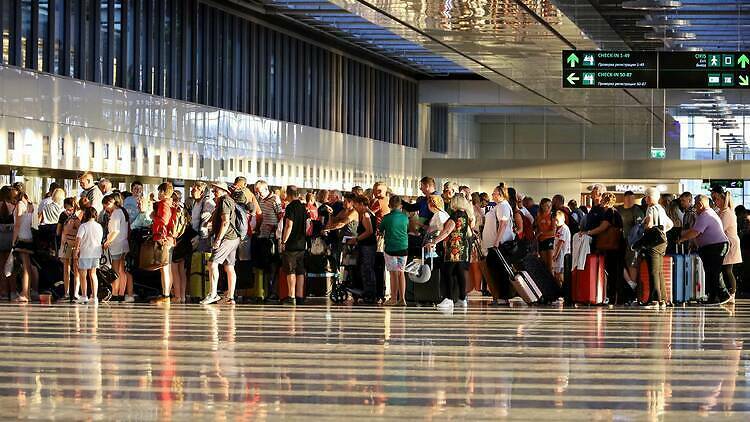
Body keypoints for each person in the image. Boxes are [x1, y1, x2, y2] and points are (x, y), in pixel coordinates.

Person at [679, 194, 731, 305]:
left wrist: (681, 239)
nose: (695, 208)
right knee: (711, 271)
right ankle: (713, 296)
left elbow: (695, 232)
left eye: (696, 205)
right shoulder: (709, 213)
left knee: (714, 271)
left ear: (700, 204)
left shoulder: (705, 215)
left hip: (716, 247)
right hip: (713, 246)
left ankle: (723, 295)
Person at [429, 195, 474, 310]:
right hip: (462, 248)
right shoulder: (466, 215)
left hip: (453, 249)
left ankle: (448, 298)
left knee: (447, 272)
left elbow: (447, 231)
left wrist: (434, 241)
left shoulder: (456, 215)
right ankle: (462, 298)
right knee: (459, 273)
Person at [201, 183, 241, 305]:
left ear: (223, 190)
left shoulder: (224, 201)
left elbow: (225, 222)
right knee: (229, 266)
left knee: (212, 263)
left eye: (216, 189)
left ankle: (213, 294)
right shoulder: (228, 201)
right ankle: (230, 296)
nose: (214, 191)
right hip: (234, 237)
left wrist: (218, 239)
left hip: (227, 238)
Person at [585, 192, 624, 304]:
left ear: (606, 201)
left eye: (602, 199)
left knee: (612, 272)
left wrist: (588, 232)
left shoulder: (609, 212)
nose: (600, 201)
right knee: (615, 272)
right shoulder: (615, 212)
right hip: (617, 246)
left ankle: (613, 298)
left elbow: (603, 227)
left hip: (612, 247)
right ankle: (616, 298)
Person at [640, 187, 673, 309]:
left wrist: (644, 226)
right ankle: (663, 299)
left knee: (653, 271)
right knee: (659, 271)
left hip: (653, 243)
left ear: (650, 197)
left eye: (647, 197)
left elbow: (648, 225)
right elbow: (671, 224)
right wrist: (662, 231)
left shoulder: (651, 208)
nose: (646, 199)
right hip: (662, 242)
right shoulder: (661, 209)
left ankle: (655, 301)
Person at [711, 186, 741, 303]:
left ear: (722, 198)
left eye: (716, 199)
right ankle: (728, 293)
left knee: (728, 270)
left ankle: (732, 294)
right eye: (713, 199)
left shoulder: (727, 213)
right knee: (725, 269)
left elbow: (720, 229)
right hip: (726, 242)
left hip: (730, 243)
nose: (715, 202)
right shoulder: (722, 212)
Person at [102, 193, 134, 303]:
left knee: (115, 270)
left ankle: (115, 293)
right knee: (122, 270)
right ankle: (121, 293)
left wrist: (108, 241)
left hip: (116, 244)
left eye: (107, 204)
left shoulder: (115, 213)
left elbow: (115, 231)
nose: (106, 207)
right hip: (124, 244)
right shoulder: (123, 212)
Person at [255, 180, 283, 301]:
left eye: (260, 191)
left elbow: (280, 216)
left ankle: (273, 291)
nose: (258, 194)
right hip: (262, 236)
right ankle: (264, 291)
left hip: (271, 237)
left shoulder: (275, 199)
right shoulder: (259, 199)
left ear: (266, 189)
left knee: (273, 264)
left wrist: (275, 228)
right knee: (264, 265)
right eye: (256, 192)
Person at [280, 186, 307, 305]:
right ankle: (300, 296)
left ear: (288, 194)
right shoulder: (302, 207)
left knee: (290, 270)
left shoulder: (290, 207)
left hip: (291, 243)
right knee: (300, 270)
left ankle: (291, 296)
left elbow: (288, 225)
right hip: (301, 243)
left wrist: (283, 241)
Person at [379, 195, 409, 306]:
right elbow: (408, 228)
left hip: (390, 248)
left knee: (393, 274)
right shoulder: (405, 217)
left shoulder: (386, 218)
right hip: (403, 248)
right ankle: (402, 299)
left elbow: (380, 230)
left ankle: (393, 299)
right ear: (401, 205)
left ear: (389, 205)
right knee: (401, 273)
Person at [151, 182, 177, 304]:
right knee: (167, 268)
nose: (158, 194)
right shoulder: (171, 203)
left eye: (159, 192)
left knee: (164, 268)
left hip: (164, 239)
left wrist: (153, 217)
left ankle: (165, 295)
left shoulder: (164, 204)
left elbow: (163, 221)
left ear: (162, 192)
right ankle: (166, 294)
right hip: (170, 239)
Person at [350, 195, 378, 303]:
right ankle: (368, 292)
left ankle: (369, 294)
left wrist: (356, 239)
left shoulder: (366, 214)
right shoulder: (369, 213)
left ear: (362, 204)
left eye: (356, 204)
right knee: (366, 268)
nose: (354, 207)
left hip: (367, 246)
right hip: (368, 245)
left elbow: (369, 231)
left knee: (367, 269)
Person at [12, 189, 38, 303]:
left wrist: (13, 240)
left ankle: (24, 292)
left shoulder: (19, 205)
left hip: (21, 236)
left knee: (25, 267)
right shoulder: (31, 205)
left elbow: (17, 224)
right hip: (29, 236)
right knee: (28, 266)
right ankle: (28, 292)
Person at [75, 206, 103, 304]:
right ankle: (94, 297)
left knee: (83, 275)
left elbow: (78, 239)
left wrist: (76, 251)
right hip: (96, 253)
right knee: (93, 274)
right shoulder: (99, 226)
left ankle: (84, 295)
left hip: (85, 253)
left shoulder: (83, 226)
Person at [616, 191, 644, 290]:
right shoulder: (618, 210)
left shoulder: (637, 210)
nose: (630, 201)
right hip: (620, 241)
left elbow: (640, 227)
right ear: (624, 199)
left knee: (632, 264)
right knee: (619, 262)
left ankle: (632, 286)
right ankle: (629, 283)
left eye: (632, 198)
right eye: (628, 198)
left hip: (633, 242)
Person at [57, 198, 82, 302]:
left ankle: (66, 292)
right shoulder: (80, 215)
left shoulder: (63, 215)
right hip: (76, 243)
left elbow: (58, 231)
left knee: (66, 268)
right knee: (77, 268)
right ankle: (76, 292)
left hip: (65, 243)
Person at [169, 190, 189, 304]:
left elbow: (174, 227)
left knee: (174, 270)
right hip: (185, 241)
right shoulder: (184, 208)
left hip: (177, 240)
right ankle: (182, 296)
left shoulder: (175, 210)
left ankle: (177, 296)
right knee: (182, 271)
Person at [189, 181, 215, 252]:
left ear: (202, 192)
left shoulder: (207, 202)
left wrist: (200, 236)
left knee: (202, 259)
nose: (191, 191)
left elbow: (206, 221)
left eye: (194, 190)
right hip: (195, 235)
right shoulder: (195, 202)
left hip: (203, 237)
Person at [0, 187, 15, 299]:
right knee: (10, 266)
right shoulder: (14, 206)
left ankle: (3, 291)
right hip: (10, 238)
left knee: (1, 266)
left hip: (0, 238)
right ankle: (12, 291)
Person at [535, 198, 555, 274]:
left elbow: (553, 232)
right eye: (546, 205)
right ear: (542, 206)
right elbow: (537, 228)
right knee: (544, 265)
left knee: (550, 266)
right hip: (541, 240)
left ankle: (552, 283)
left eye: (550, 205)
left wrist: (542, 233)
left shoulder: (552, 216)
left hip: (549, 240)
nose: (549, 207)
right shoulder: (539, 215)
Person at [552, 210, 571, 289]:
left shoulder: (564, 228)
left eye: (557, 220)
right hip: (557, 254)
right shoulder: (558, 229)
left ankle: (564, 290)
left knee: (560, 275)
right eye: (555, 220)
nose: (556, 222)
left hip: (562, 255)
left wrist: (555, 255)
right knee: (556, 274)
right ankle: (559, 291)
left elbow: (561, 242)